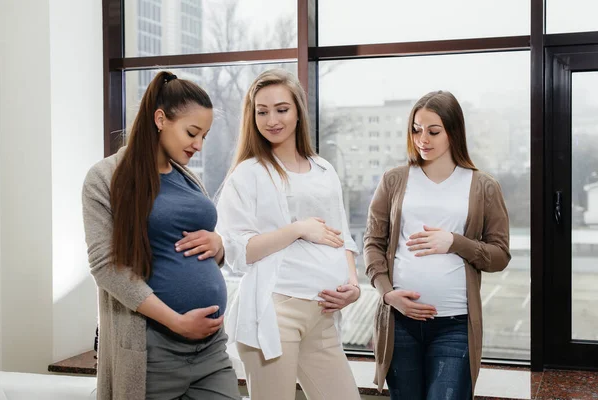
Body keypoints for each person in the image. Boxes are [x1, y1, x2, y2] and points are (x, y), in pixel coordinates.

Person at [82, 71, 240, 400]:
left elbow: (192, 241)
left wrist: (219, 244)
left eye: (204, 136)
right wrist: (176, 321)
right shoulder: (105, 178)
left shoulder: (186, 178)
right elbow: (106, 266)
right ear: (160, 119)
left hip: (211, 350)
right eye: (192, 132)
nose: (198, 145)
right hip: (153, 351)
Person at [216, 69, 361, 400]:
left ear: (298, 111)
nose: (271, 120)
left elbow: (344, 239)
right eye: (262, 111)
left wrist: (352, 286)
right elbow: (239, 251)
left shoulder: (324, 170)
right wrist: (298, 229)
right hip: (274, 311)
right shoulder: (247, 174)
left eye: (281, 109)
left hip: (322, 315)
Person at [363, 90, 511, 399]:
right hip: (399, 324)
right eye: (416, 129)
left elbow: (499, 257)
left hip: (455, 327)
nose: (422, 139)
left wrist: (455, 242)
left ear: (453, 132)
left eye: (433, 131)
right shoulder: (394, 180)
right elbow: (373, 243)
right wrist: (388, 295)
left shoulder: (482, 186)